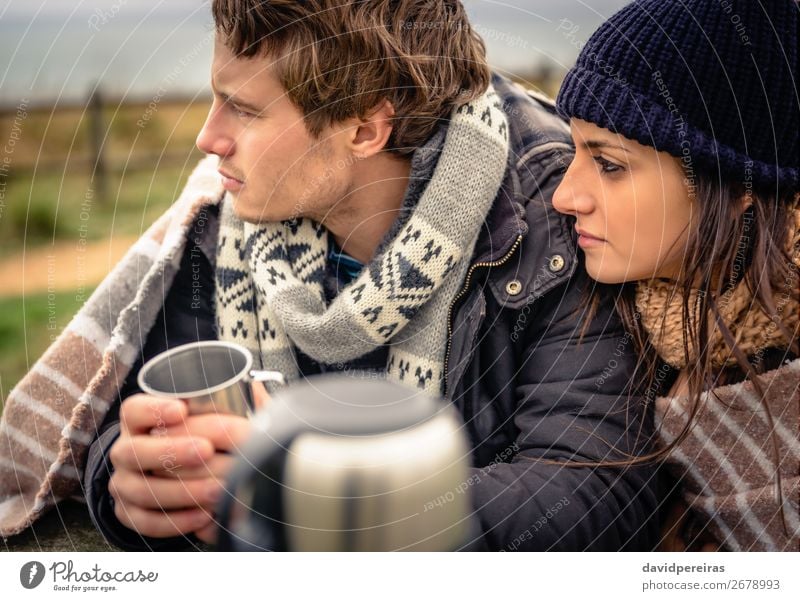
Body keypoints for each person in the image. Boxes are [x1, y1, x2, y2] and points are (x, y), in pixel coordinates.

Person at [0, 0, 656, 551]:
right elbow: (122, 417)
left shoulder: (557, 211)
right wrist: (132, 481)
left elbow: (590, 484)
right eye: (212, 100)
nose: (208, 138)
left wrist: (319, 504)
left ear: (366, 127)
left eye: (244, 110)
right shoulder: (232, 223)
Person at [552, 0, 799, 551]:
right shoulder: (625, 320)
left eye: (610, 164)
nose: (564, 197)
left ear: (738, 187)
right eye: (573, 152)